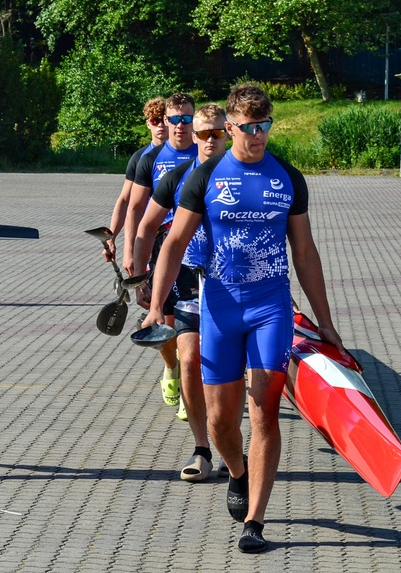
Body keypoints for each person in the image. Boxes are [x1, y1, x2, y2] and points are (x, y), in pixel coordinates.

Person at [143, 84, 343, 553]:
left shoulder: (288, 177)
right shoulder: (205, 176)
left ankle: (255, 520)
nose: (258, 136)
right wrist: (157, 306)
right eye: (249, 128)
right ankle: (237, 469)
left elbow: (306, 252)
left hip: (270, 307)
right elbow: (173, 244)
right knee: (218, 422)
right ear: (229, 127)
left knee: (264, 411)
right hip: (220, 308)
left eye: (265, 126)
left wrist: (325, 320)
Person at [133, 103, 228, 482]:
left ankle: (229, 445)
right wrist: (141, 277)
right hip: (188, 280)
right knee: (189, 361)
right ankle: (202, 448)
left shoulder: (248, 176)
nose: (207, 140)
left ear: (229, 132)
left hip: (234, 284)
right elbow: (145, 226)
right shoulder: (177, 178)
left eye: (215, 132)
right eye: (202, 133)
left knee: (228, 372)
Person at [123, 92, 198, 407]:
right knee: (164, 324)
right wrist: (130, 253)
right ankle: (171, 367)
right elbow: (136, 208)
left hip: (194, 247)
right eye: (174, 120)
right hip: (159, 247)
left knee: (191, 326)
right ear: (165, 122)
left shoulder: (207, 154)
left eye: (186, 119)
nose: (180, 126)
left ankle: (190, 389)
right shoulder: (150, 159)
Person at [102, 97, 168, 261]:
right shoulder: (140, 158)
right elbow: (125, 200)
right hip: (150, 232)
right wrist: (111, 237)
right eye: (155, 120)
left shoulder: (189, 155)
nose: (160, 125)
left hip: (178, 229)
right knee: (144, 283)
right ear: (148, 124)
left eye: (164, 120)